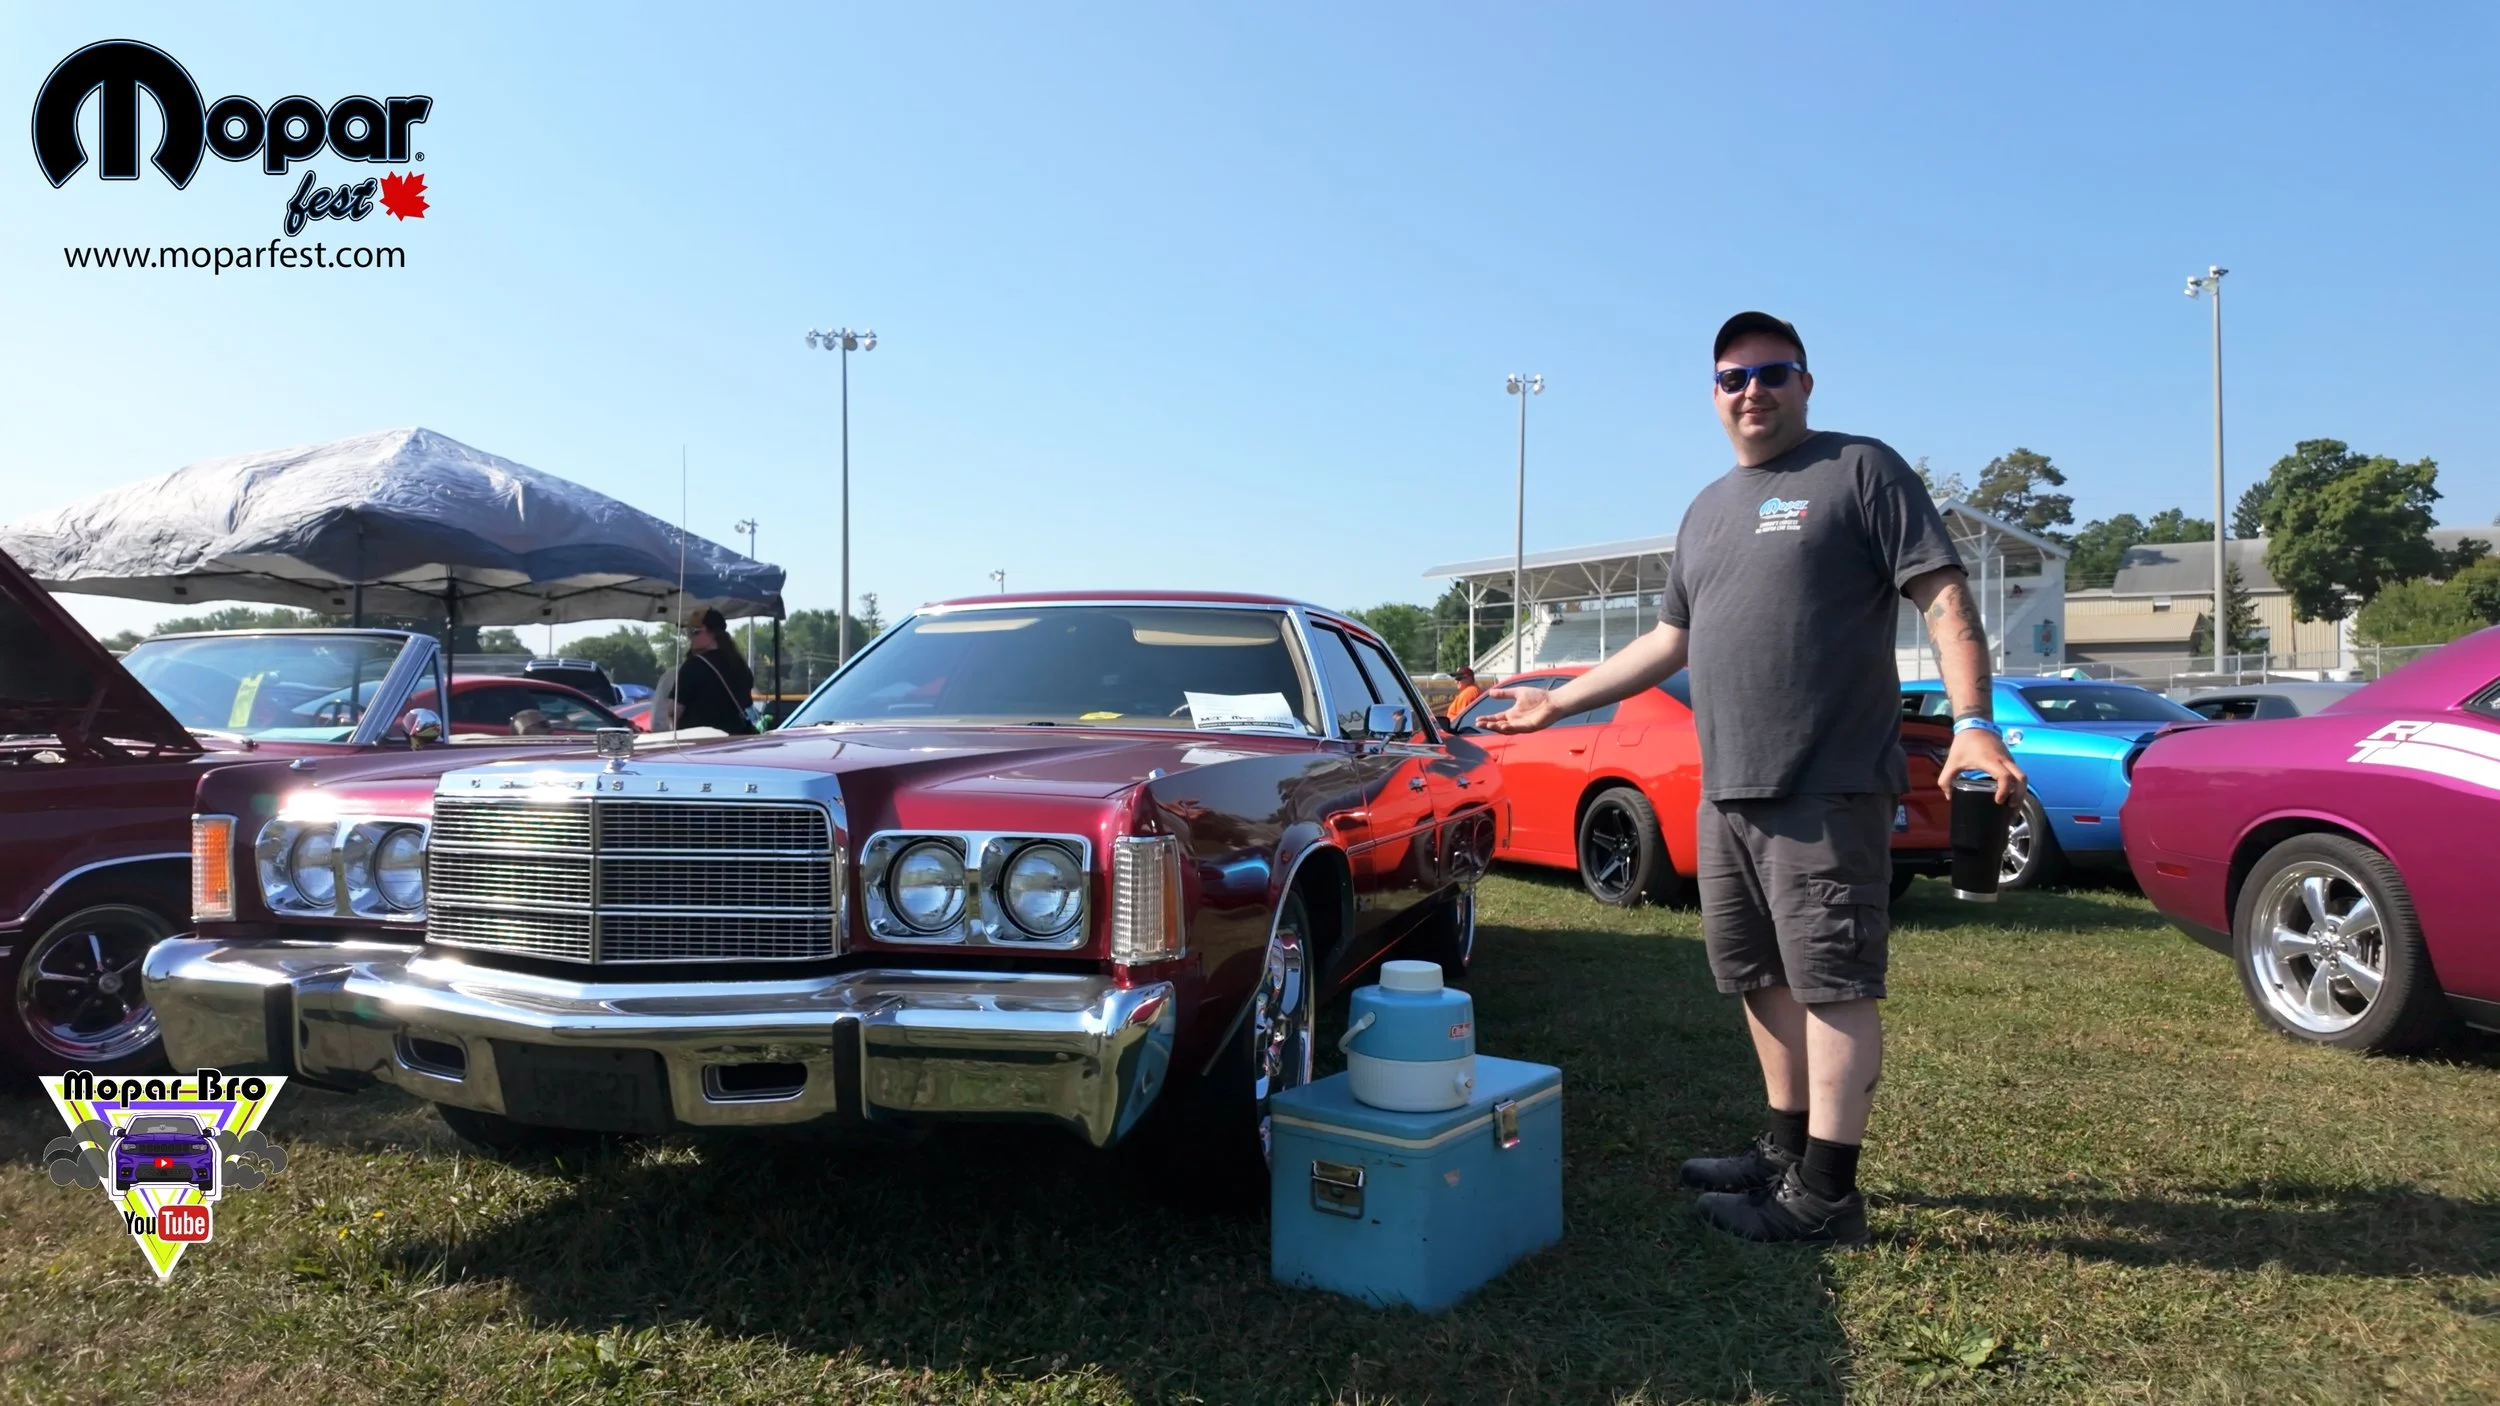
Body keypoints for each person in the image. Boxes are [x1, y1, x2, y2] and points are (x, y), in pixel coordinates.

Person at [1484, 311, 2024, 1245]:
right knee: (1756, 975)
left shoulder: (1860, 469)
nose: (1753, 391)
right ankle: (1785, 1151)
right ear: (1714, 394)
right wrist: (1559, 703)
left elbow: (1941, 593)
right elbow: (1668, 642)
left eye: (1773, 373)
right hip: (1724, 788)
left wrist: (1975, 725)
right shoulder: (1706, 510)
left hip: (1827, 784)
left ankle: (1826, 1196)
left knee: (1833, 982)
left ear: (1806, 384)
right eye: (1734, 378)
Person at [653, 606, 761, 735]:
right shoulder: (741, 666)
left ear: (712, 633)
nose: (690, 637)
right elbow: (746, 704)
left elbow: (673, 711)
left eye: (695, 631)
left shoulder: (693, 665)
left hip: (700, 745)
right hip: (734, 742)